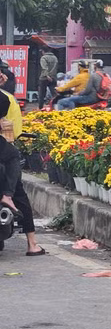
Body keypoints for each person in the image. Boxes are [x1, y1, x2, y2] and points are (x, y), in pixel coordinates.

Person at [0, 76, 45, 256]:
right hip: (5, 148)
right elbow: (15, 132)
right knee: (19, 193)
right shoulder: (7, 98)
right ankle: (32, 244)